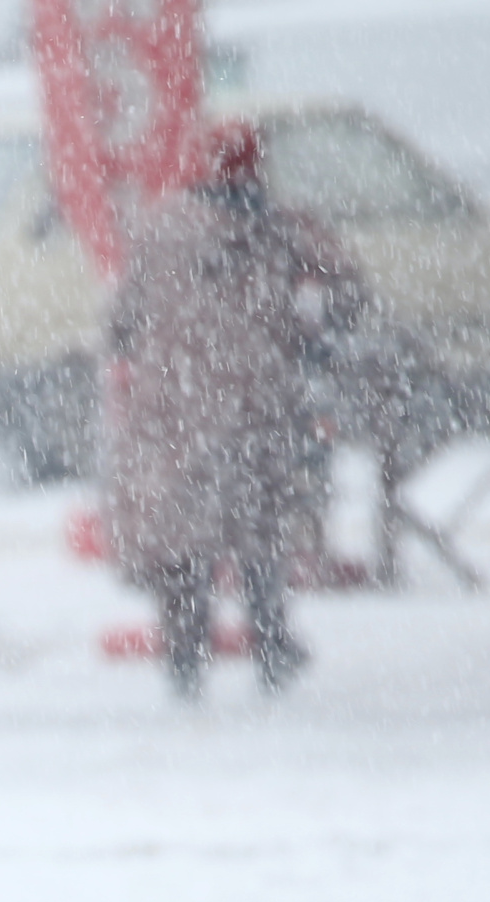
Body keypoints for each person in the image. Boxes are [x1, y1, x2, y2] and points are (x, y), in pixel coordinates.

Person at [105, 121, 358, 699]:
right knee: (259, 533)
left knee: (184, 541)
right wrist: (305, 327)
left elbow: (120, 323)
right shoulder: (281, 226)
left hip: (173, 412)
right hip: (257, 404)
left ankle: (185, 657)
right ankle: (270, 645)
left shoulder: (162, 225)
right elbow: (349, 288)